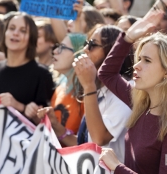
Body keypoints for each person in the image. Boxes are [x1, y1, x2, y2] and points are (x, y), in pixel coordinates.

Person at [98, 12, 167, 173]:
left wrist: (117, 167)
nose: (136, 65)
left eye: (146, 60)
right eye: (138, 58)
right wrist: (127, 38)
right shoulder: (141, 104)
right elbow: (106, 74)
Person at [39, 25, 132, 163]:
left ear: (112, 52)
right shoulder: (100, 89)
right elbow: (86, 143)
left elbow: (99, 139)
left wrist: (89, 86)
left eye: (93, 45)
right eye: (86, 43)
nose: (85, 50)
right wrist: (57, 127)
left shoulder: (124, 90)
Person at [0, 12, 55, 124]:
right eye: (12, 28)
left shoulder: (42, 74)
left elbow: (46, 122)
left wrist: (20, 106)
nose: (15, 33)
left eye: (23, 30)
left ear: (31, 39)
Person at [50, 33, 86, 137]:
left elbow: (87, 143)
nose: (55, 51)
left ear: (79, 53)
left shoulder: (86, 95)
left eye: (62, 47)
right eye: (58, 46)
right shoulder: (60, 87)